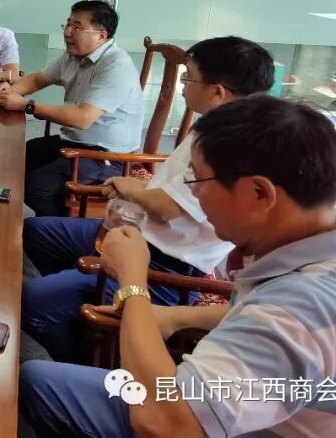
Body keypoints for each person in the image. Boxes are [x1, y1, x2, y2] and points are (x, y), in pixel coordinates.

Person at [20, 96, 336, 438]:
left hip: (194, 422)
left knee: (35, 382)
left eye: (198, 181)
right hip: (240, 408)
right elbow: (266, 319)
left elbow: (166, 424)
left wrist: (132, 282)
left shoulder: (297, 312)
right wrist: (178, 316)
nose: (194, 194)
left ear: (259, 193)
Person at [21, 36, 275, 364]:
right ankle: (74, 303)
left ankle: (89, 357)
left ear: (217, 92)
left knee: (31, 302)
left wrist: (130, 187)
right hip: (140, 228)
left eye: (188, 78)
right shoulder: (216, 125)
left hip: (167, 264)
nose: (181, 87)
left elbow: (170, 207)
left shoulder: (234, 146)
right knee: (36, 232)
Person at [0, 0, 143, 216]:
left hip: (109, 156)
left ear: (101, 35)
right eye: (68, 24)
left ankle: (61, 228)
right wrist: (10, 91)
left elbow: (83, 119)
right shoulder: (72, 56)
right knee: (16, 156)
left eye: (77, 27)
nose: (67, 32)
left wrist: (27, 105)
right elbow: (37, 79)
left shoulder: (116, 65)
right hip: (74, 141)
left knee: (38, 188)